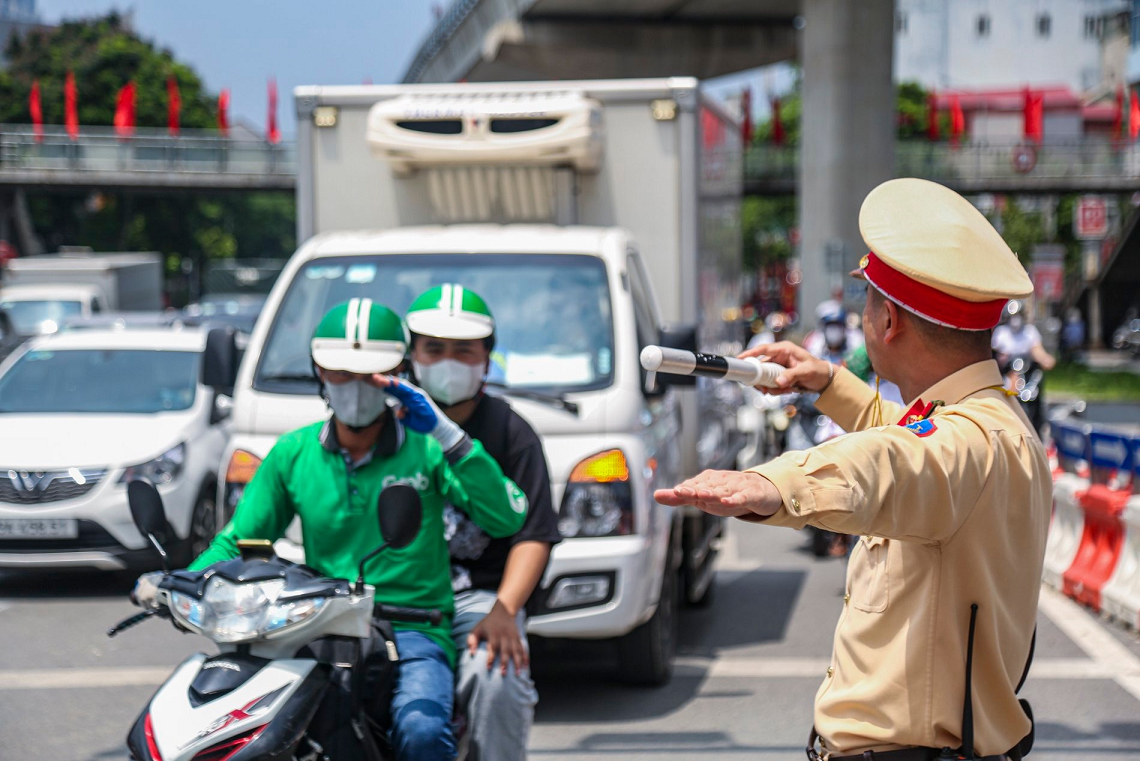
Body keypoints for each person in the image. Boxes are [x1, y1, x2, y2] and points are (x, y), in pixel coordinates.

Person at [656, 178, 1050, 760]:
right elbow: (904, 436)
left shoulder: (967, 443)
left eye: (866, 303)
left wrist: (775, 483)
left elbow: (891, 462)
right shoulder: (989, 421)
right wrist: (828, 382)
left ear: (887, 321)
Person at [135, 298, 529, 761]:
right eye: (340, 372)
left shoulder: (428, 448)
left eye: (370, 375)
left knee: (421, 731)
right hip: (314, 625)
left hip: (414, 630)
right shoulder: (293, 453)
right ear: (319, 372)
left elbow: (508, 517)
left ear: (398, 374)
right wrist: (180, 582)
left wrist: (447, 433)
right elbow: (238, 539)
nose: (355, 387)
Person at [405, 284, 561, 761]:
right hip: (397, 595)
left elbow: (533, 533)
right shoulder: (386, 429)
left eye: (463, 351)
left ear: (487, 361)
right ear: (410, 355)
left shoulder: (513, 434)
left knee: (498, 679)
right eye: (434, 349)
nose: (447, 361)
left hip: (479, 596)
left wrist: (505, 609)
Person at [992, 300, 1056, 371]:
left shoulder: (1030, 331)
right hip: (1005, 370)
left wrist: (1045, 359)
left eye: (1018, 315)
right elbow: (994, 352)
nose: (1015, 319)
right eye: (1013, 316)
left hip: (1026, 369)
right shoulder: (1001, 332)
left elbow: (1036, 349)